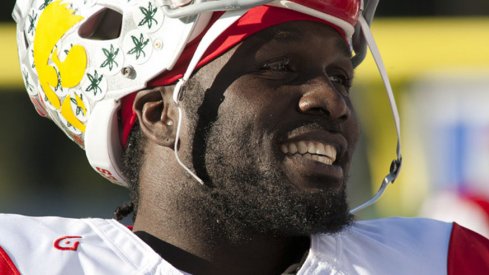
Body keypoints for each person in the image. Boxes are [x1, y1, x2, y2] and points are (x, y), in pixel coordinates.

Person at [2, 0, 488, 274]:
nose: (332, 100)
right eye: (280, 67)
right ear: (160, 115)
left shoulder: (446, 262)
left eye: (341, 77)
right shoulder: (25, 263)